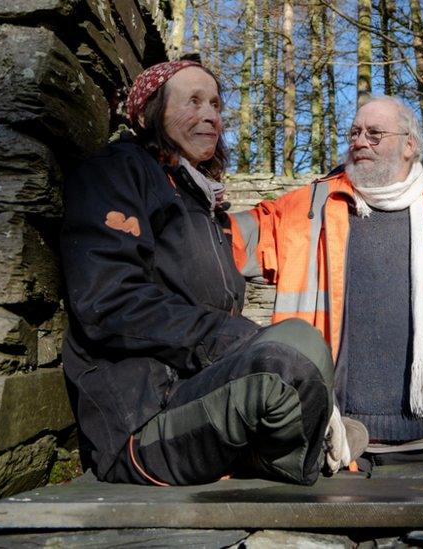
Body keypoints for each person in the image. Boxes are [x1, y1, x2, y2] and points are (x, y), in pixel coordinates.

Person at [59, 60, 364, 487]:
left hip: (194, 392)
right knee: (290, 355)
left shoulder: (199, 201)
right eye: (194, 101)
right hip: (141, 417)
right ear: (150, 112)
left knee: (302, 343)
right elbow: (108, 301)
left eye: (216, 104)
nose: (211, 116)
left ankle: (303, 433)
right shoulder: (116, 172)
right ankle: (297, 446)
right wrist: (237, 339)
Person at [230, 96, 423, 466]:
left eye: (375, 133)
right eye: (355, 132)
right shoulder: (309, 208)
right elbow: (225, 241)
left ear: (409, 145)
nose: (360, 141)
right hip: (339, 448)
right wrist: (185, 202)